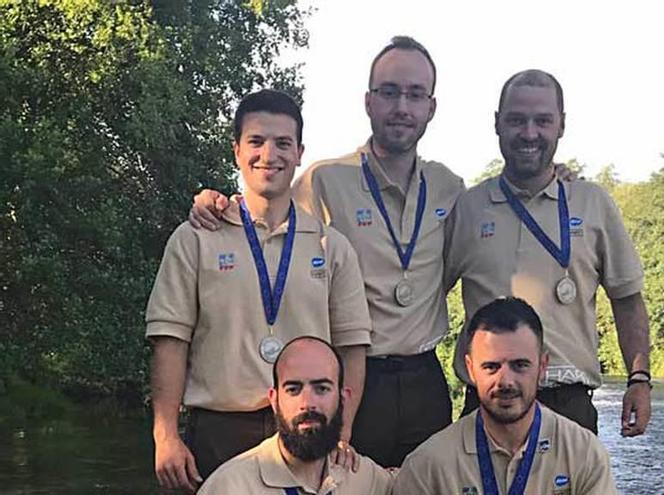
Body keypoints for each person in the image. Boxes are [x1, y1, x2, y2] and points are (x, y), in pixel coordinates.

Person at [188, 36, 465, 468]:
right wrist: (217, 203)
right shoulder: (323, 180)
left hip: (425, 380)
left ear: (431, 107)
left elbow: (453, 267)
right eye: (389, 92)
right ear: (369, 102)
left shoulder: (450, 188)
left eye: (415, 94)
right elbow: (270, 228)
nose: (402, 107)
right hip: (353, 377)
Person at [146, 89, 372, 492]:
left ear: (300, 152)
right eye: (256, 141)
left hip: (307, 428)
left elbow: (352, 346)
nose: (269, 154)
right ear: (236, 150)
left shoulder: (330, 245)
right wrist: (165, 434)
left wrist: (345, 430)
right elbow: (169, 339)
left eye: (283, 143)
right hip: (219, 430)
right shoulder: (196, 238)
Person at [444, 70, 652, 437]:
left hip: (570, 407)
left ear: (561, 125)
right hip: (489, 403)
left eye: (542, 121)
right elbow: (424, 298)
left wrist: (639, 379)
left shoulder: (593, 203)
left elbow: (627, 299)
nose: (529, 133)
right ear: (497, 124)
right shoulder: (467, 209)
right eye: (516, 120)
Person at [393, 297, 617, 494]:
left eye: (520, 365)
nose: (506, 381)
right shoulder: (428, 466)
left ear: (542, 366)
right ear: (470, 369)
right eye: (491, 367)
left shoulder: (584, 454)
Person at [198, 337, 392, 494]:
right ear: (274, 400)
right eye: (293, 389)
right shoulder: (230, 487)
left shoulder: (366, 479)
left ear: (343, 398)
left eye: (322, 388)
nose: (307, 404)